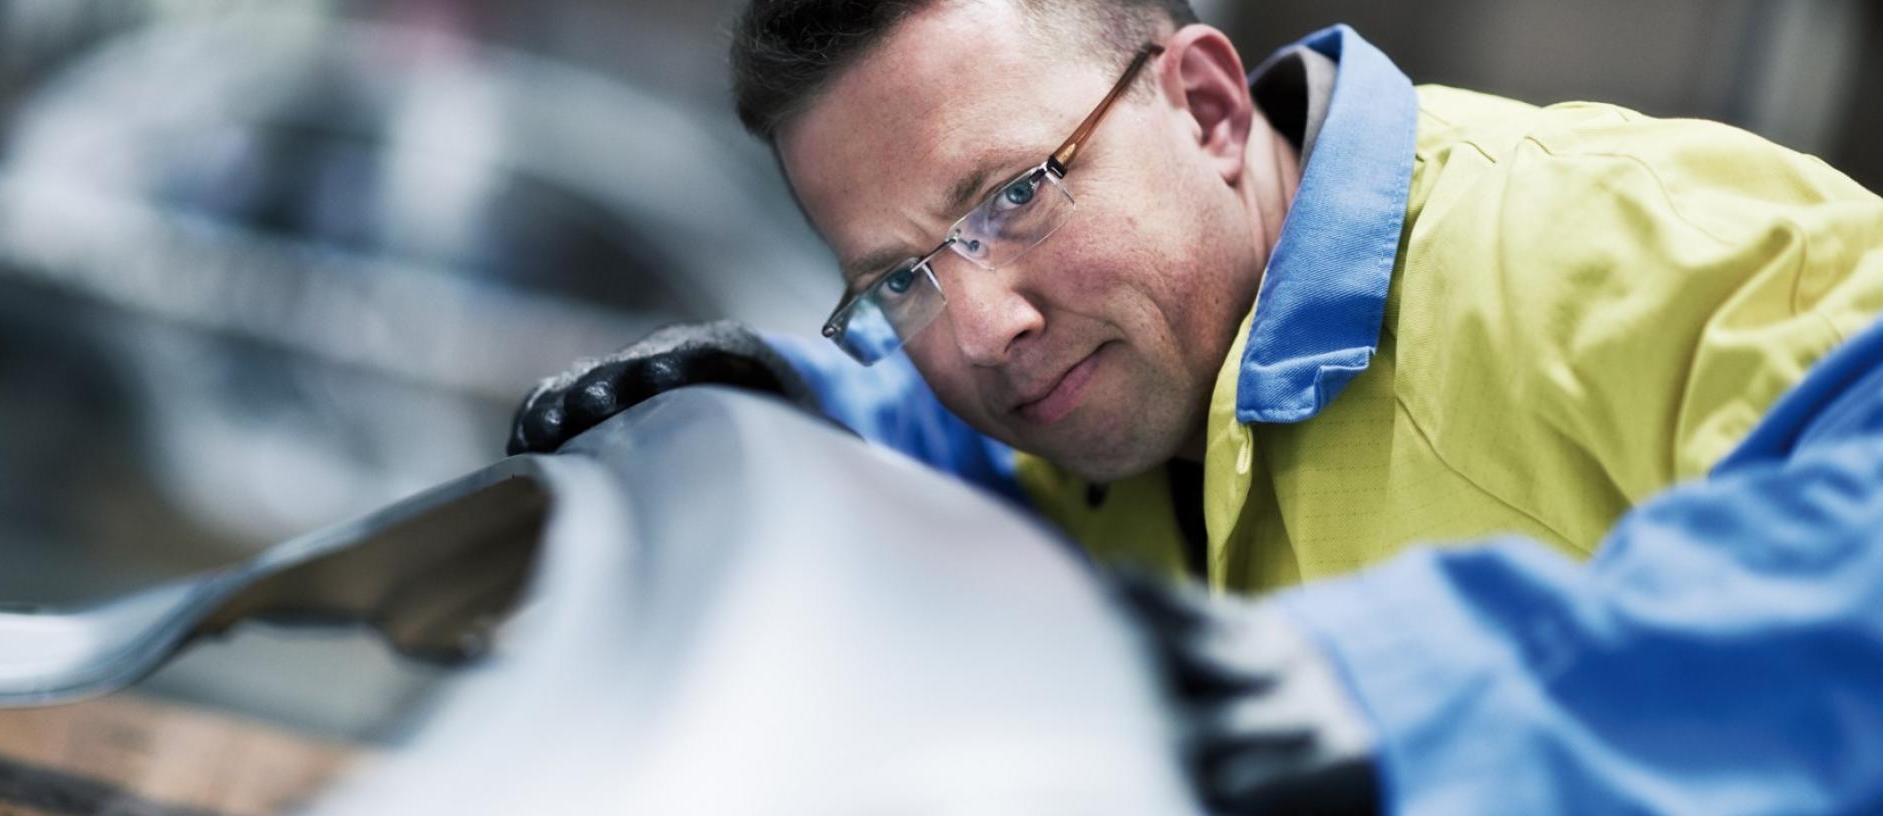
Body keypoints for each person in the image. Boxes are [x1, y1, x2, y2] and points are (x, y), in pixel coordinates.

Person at [509, 0, 1883, 812]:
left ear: (1212, 110)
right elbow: (946, 446)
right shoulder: (1107, 391)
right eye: (899, 281)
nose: (984, 331)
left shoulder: (1597, 243)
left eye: (1012, 199)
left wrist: (1420, 693)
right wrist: (791, 416)